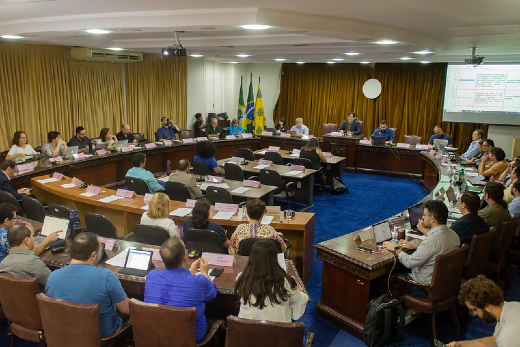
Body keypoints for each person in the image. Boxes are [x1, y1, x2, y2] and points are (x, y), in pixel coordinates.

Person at [45, 232, 129, 338]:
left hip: (65, 338)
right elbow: (126, 309)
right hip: (102, 339)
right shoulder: (106, 276)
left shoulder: (53, 277)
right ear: (93, 255)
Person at [144, 237, 216, 344]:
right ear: (185, 257)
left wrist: (189, 272)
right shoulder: (200, 281)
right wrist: (205, 273)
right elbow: (212, 294)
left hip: (158, 335)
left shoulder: (151, 276)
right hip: (190, 339)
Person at [383, 200, 460, 287]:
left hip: (423, 286)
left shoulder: (431, 241)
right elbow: (435, 251)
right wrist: (415, 246)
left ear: (432, 219)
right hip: (444, 284)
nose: (423, 217)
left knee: (382, 281)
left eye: (425, 215)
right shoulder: (454, 235)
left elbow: (409, 262)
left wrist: (396, 249)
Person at [235, 239, 308, 322]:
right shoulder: (286, 282)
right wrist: (300, 291)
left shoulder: (242, 279)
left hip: (247, 333)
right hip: (280, 333)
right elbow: (297, 308)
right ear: (274, 258)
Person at [447, 275, 520, 347]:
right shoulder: (511, 307)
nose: (474, 314)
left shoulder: (508, 335)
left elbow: (502, 340)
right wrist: (461, 345)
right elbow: (495, 341)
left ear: (488, 306)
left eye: (474, 310)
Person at [0, 224, 51, 291]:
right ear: (27, 240)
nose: (34, 239)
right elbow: (53, 283)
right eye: (32, 236)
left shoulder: (3, 264)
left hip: (11, 300)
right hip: (36, 300)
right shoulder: (33, 262)